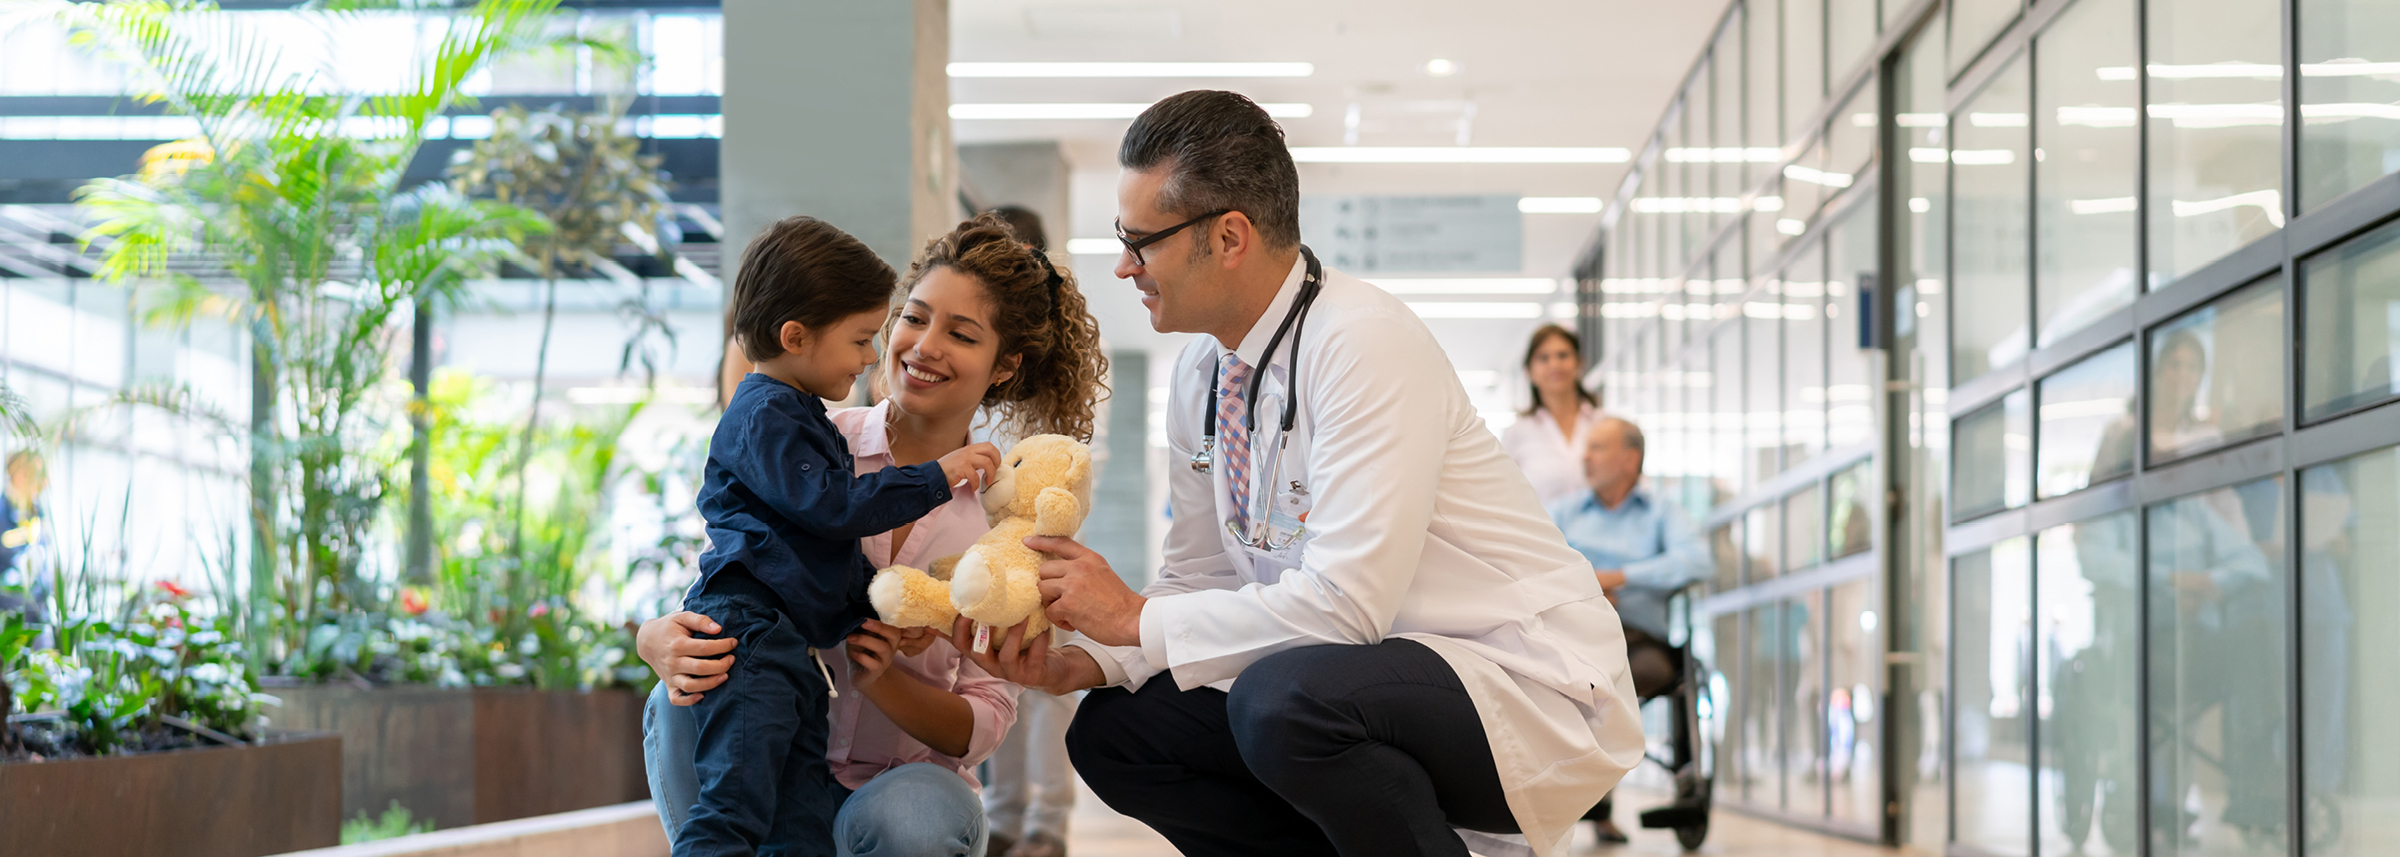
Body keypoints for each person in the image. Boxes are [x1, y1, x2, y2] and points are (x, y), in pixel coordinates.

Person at [961, 90, 1644, 857]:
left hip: (1523, 680)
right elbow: (1198, 575)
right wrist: (1089, 659)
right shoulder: (1200, 375)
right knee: (1121, 731)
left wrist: (1132, 618)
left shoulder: (1363, 343)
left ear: (1227, 236)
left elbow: (1346, 606)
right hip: (1364, 681)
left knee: (1283, 703)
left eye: (1140, 241)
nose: (1124, 267)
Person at [642, 213, 1111, 857]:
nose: (922, 346)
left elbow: (984, 722)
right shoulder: (807, 442)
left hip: (895, 784)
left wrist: (883, 675)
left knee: (916, 820)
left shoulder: (1005, 530)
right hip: (774, 753)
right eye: (913, 318)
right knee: (677, 704)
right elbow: (738, 562)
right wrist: (655, 636)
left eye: (961, 334)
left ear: (1003, 367)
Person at [1546, 417, 1709, 843]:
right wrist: (1587, 586)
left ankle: (1597, 795)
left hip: (1638, 641)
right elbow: (1535, 564)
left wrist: (1620, 577)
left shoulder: (1662, 513)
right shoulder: (1564, 512)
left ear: (1629, 458)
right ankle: (1577, 798)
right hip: (1571, 634)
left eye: (1597, 447)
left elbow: (1697, 562)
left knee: (1622, 675)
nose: (1586, 457)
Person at [977, 203, 1083, 857]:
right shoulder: (975, 343)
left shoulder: (1064, 358)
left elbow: (1074, 462)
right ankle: (1005, 815)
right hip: (982, 547)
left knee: (1045, 686)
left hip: (1046, 544)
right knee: (995, 675)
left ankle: (1048, 823)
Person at [1502, 325, 1607, 507]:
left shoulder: (1604, 425)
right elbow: (1503, 498)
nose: (1555, 365)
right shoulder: (1517, 433)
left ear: (1579, 364)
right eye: (1544, 358)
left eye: (1563, 355)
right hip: (1540, 533)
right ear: (1529, 371)